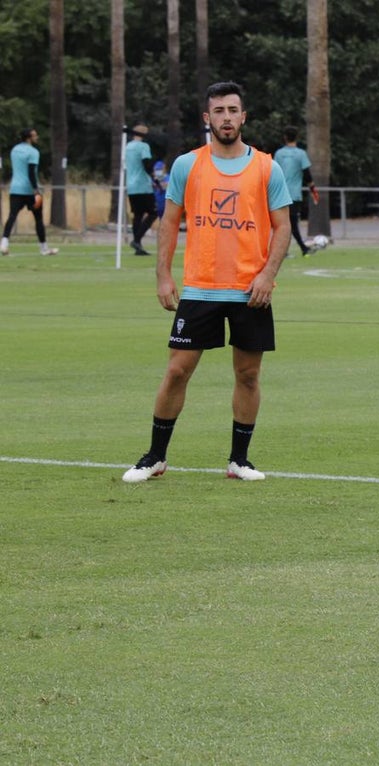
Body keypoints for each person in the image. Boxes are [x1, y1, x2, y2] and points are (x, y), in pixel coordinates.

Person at [122, 81, 292, 484]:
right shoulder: (187, 165)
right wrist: (163, 275)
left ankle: (239, 460)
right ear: (207, 118)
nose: (227, 118)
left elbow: (282, 226)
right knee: (177, 371)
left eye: (233, 110)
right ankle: (155, 457)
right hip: (200, 287)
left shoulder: (267, 166)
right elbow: (168, 222)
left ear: (243, 116)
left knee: (248, 374)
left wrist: (268, 275)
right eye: (219, 111)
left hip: (251, 289)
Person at [1, 128, 58, 256]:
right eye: (34, 135)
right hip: (30, 191)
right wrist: (36, 190)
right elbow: (31, 172)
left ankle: (4, 244)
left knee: (12, 216)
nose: (37, 137)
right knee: (38, 219)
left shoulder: (14, 150)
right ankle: (43, 248)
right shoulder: (33, 152)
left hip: (15, 188)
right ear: (29, 138)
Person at [272, 126, 317, 257]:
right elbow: (307, 174)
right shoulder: (300, 154)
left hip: (279, 194)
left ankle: (291, 250)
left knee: (283, 223)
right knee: (290, 224)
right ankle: (302, 249)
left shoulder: (279, 154)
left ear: (285, 137)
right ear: (296, 137)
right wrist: (313, 190)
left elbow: (274, 172)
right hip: (294, 195)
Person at [125, 124, 159, 255]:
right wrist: (155, 179)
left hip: (131, 185)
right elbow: (146, 164)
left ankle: (138, 245)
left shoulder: (128, 147)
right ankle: (137, 239)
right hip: (143, 185)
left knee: (138, 214)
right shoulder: (144, 147)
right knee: (152, 213)